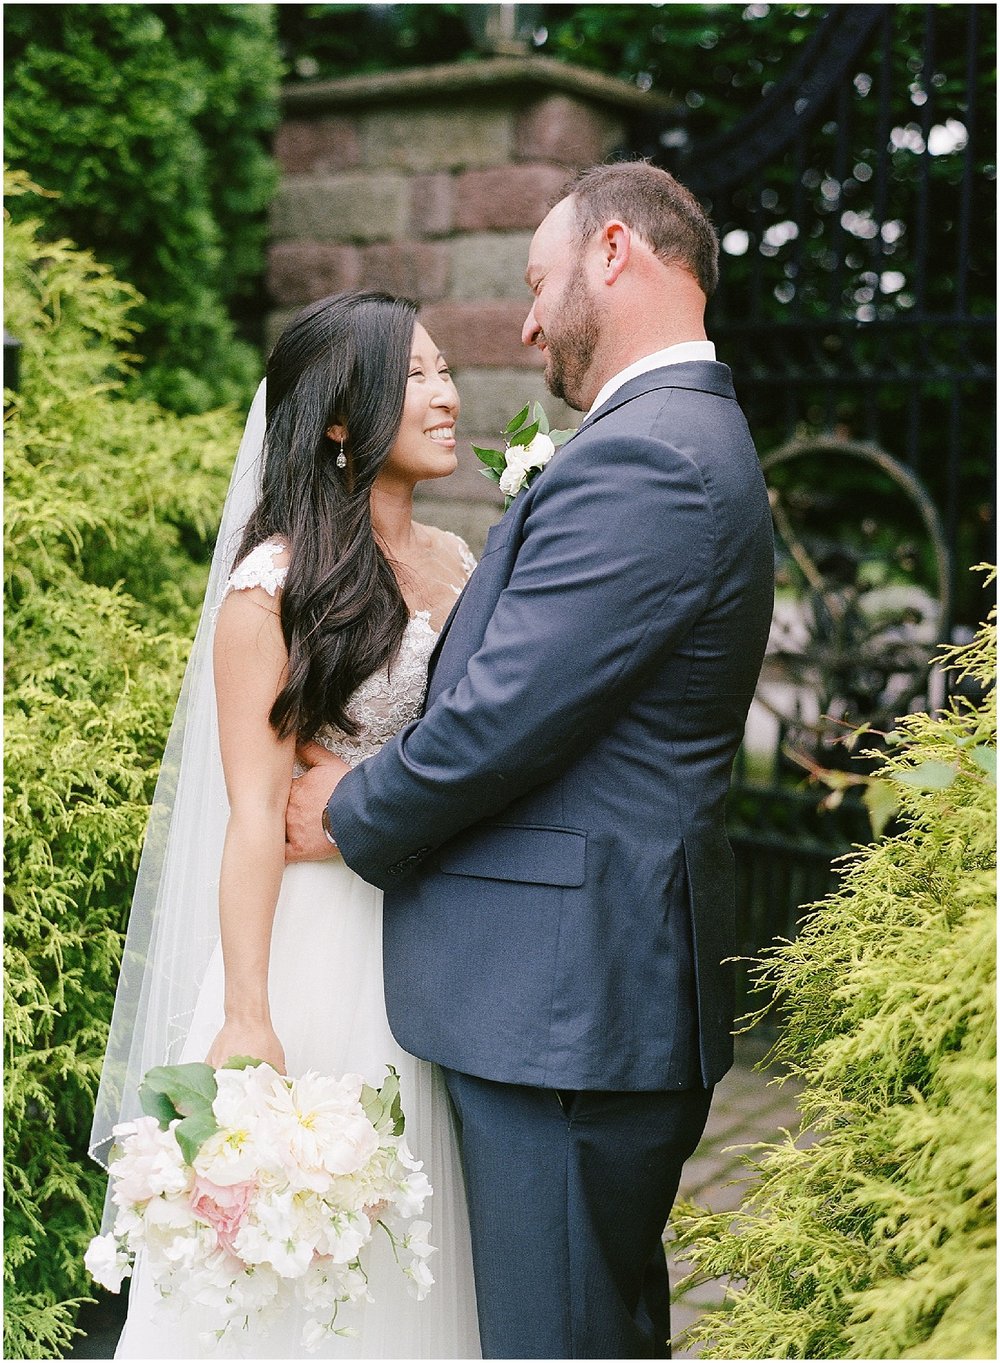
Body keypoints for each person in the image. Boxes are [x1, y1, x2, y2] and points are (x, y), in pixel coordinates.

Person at [285, 160, 776, 1359]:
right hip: (579, 990)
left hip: (566, 1000)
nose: (523, 320)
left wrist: (351, 807)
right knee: (591, 1320)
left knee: (556, 1335)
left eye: (538, 282)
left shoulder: (649, 456)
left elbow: (502, 717)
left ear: (616, 252)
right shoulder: (669, 437)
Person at [90, 290, 482, 1358]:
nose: (447, 394)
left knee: (421, 1230)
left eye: (446, 369)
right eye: (418, 376)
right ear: (343, 421)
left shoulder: (463, 566)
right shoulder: (269, 591)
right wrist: (251, 1012)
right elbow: (255, 810)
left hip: (439, 938)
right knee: (297, 1251)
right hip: (317, 945)